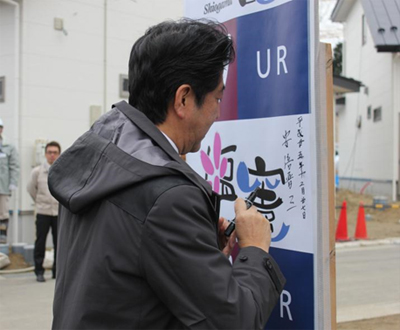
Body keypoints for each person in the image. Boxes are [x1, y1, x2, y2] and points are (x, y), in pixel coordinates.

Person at [49, 19, 285, 330]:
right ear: (184, 99)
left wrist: (200, 252)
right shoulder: (167, 197)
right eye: (217, 98)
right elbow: (235, 321)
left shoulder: (98, 154)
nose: (218, 112)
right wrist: (254, 249)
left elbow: (126, 273)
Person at [27, 141, 61, 282]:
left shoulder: (63, 171)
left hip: (58, 213)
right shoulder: (37, 172)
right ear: (45, 154)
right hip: (43, 212)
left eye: (55, 152)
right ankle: (39, 271)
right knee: (40, 242)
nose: (52, 155)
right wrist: (40, 202)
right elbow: (31, 189)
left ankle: (56, 271)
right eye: (49, 152)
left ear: (59, 154)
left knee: (59, 243)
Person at [0, 118, 20, 244]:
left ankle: (2, 238)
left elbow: (14, 166)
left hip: (3, 187)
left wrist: (13, 183)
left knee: (3, 214)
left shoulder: (9, 147)